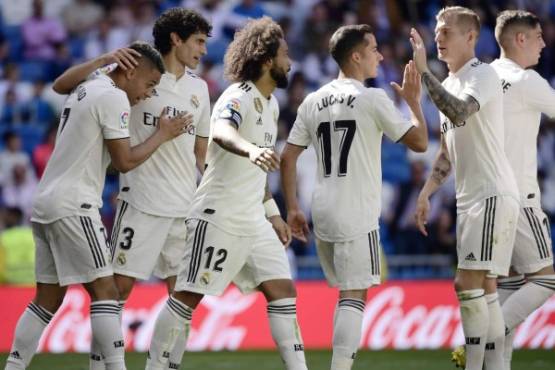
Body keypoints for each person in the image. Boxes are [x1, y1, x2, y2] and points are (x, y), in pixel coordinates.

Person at [4, 41, 191, 370]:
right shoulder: (114, 96)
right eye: (148, 85)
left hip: (46, 201)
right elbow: (124, 161)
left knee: (47, 300)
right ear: (130, 71)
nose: (147, 95)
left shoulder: (91, 83)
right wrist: (163, 134)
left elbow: (59, 84)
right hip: (74, 203)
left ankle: (15, 367)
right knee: (106, 290)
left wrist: (104, 60)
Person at [52, 9, 212, 370]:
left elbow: (202, 154)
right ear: (176, 39)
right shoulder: (132, 75)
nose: (203, 50)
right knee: (116, 295)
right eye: (199, 41)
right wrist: (107, 60)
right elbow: (63, 85)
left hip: (183, 209)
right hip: (140, 204)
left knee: (184, 299)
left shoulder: (200, 89)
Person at [146, 17, 308, 370]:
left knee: (283, 292)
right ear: (267, 61)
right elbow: (221, 131)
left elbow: (257, 170)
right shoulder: (239, 96)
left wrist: (273, 212)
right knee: (187, 296)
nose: (290, 62)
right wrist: (250, 150)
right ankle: (156, 366)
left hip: (253, 219)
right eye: (284, 54)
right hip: (218, 215)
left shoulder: (272, 104)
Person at [280, 24, 428, 370]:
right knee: (354, 295)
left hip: (323, 210)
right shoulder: (372, 97)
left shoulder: (312, 100)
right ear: (356, 56)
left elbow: (288, 157)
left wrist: (292, 208)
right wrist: (414, 103)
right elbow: (420, 142)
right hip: (357, 210)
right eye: (374, 48)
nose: (380, 55)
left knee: (346, 294)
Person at [411, 7, 519, 370]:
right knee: (484, 288)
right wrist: (427, 191)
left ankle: (474, 365)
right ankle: (495, 365)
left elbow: (459, 113)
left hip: (491, 192)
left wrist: (425, 74)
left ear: (470, 37)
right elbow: (447, 151)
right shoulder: (452, 83)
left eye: (446, 32)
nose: (438, 38)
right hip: (469, 198)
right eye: (437, 31)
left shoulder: (483, 74)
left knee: (466, 283)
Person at [490, 10, 555, 370]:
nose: (544, 44)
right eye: (538, 37)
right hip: (519, 197)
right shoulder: (526, 80)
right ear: (520, 39)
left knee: (510, 285)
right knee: (546, 280)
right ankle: (479, 339)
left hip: (484, 201)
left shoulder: (480, 77)